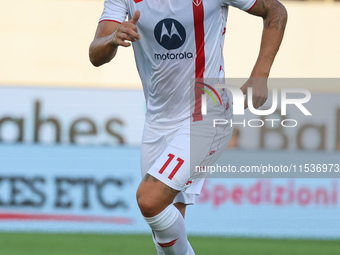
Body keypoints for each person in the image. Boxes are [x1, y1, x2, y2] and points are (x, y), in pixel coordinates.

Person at [89, 0, 287, 253]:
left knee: (150, 201)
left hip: (206, 115)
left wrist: (260, 75)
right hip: (157, 121)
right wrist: (112, 38)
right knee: (164, 226)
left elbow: (276, 10)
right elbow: (95, 55)